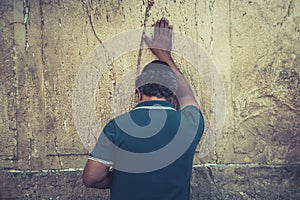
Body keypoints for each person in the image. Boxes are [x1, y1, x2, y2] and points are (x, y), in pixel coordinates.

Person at [83, 18, 204, 200]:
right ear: (172, 96)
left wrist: (122, 179)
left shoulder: (117, 126)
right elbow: (187, 95)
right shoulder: (191, 123)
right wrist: (164, 55)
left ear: (138, 93)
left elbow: (91, 178)